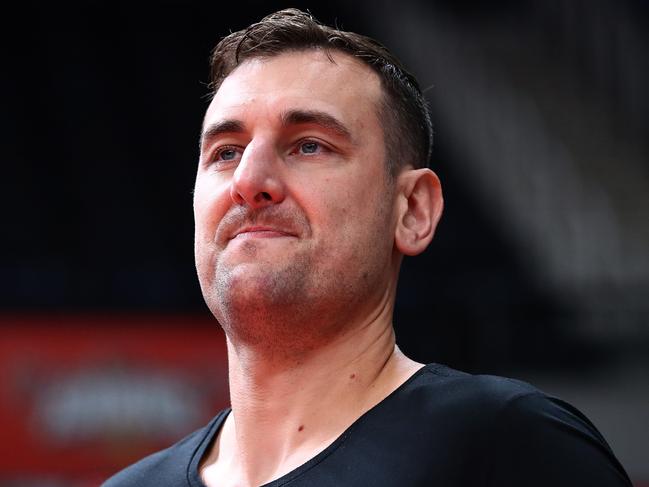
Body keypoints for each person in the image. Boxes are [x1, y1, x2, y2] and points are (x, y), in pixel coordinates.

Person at [103, 8, 631, 487]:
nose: (249, 180)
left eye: (310, 144)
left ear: (412, 210)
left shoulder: (512, 448)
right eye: (226, 152)